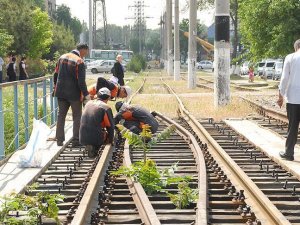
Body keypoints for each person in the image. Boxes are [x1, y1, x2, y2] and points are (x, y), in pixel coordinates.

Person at [53, 43, 91, 147]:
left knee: (61, 115)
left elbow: (55, 74)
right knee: (77, 116)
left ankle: (59, 140)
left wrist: (55, 87)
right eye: (86, 52)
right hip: (74, 94)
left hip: (60, 92)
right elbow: (81, 82)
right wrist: (86, 95)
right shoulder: (79, 61)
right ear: (83, 50)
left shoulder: (62, 57)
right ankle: (76, 140)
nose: (86, 54)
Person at [277, 39, 300, 161]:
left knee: (293, 127)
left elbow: (284, 78)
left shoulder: (291, 57)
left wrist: (280, 96)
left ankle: (289, 153)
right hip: (293, 98)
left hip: (293, 99)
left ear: (296, 47)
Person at [80, 87, 114, 157]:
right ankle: (95, 148)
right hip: (96, 138)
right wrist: (110, 140)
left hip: (82, 137)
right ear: (108, 98)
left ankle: (89, 144)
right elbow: (110, 126)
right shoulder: (105, 107)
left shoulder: (88, 103)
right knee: (106, 135)